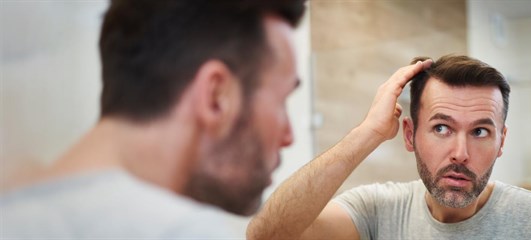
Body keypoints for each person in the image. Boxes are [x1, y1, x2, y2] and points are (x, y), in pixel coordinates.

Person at [0, 0, 305, 238]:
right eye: (282, 102)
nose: (288, 135)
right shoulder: (182, 232)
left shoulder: (15, 215)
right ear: (215, 96)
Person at [248, 55, 531, 239]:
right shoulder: (377, 212)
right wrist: (368, 132)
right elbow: (267, 235)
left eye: (481, 132)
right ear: (409, 135)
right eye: (441, 128)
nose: (460, 152)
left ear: (502, 142)